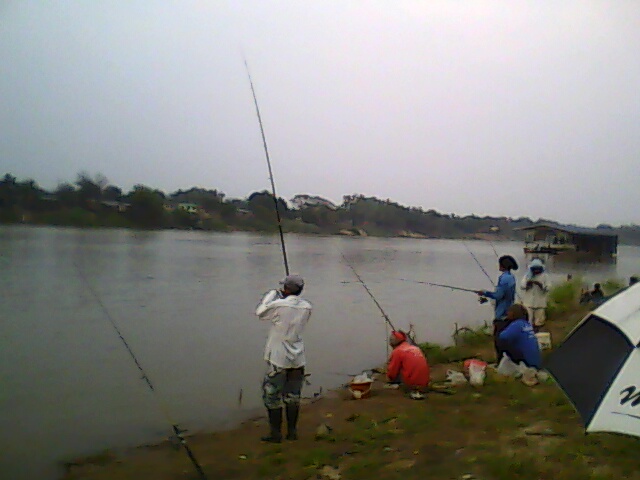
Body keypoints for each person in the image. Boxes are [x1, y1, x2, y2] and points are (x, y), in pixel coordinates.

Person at [256, 274, 312, 443]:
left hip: (278, 358)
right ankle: (292, 432)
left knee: (272, 396)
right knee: (293, 396)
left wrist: (272, 295)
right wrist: (287, 298)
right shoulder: (307, 307)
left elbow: (260, 313)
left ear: (286, 289)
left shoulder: (278, 304)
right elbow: (292, 311)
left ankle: (276, 434)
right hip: (297, 357)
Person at [476, 255, 518, 361]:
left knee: (499, 342)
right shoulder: (511, 277)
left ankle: (501, 363)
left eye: (499, 264)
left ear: (503, 266)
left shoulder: (504, 278)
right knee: (506, 342)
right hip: (509, 312)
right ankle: (506, 362)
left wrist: (484, 293)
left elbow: (498, 295)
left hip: (502, 315)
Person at [497, 304, 542, 370]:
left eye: (509, 312)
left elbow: (502, 336)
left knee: (503, 342)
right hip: (536, 362)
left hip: (527, 363)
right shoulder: (527, 324)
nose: (507, 313)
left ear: (513, 313)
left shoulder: (517, 324)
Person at [386, 330, 430, 395]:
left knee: (394, 371)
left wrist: (388, 378)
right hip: (425, 383)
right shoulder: (415, 348)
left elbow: (392, 372)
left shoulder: (397, 351)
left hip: (411, 385)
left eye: (391, 339)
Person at [519, 258, 550, 331]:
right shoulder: (527, 276)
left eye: (538, 269)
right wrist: (528, 284)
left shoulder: (545, 276)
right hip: (528, 303)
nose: (536, 271)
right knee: (527, 322)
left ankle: (537, 333)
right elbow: (522, 286)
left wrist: (540, 285)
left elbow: (548, 288)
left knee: (539, 322)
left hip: (540, 304)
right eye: (535, 269)